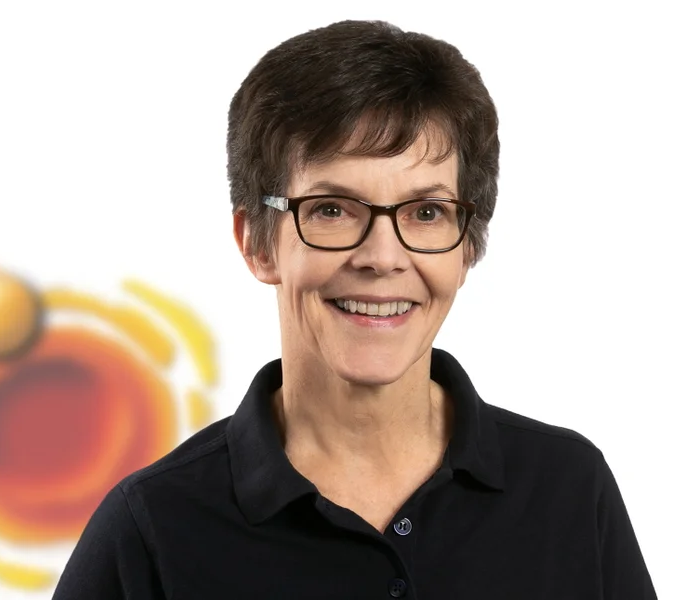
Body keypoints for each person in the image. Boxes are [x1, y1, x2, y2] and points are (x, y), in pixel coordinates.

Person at [52, 20, 656, 599]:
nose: (382, 257)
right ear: (257, 243)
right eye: (332, 210)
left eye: (426, 213)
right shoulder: (153, 528)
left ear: (468, 247)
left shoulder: (569, 489)